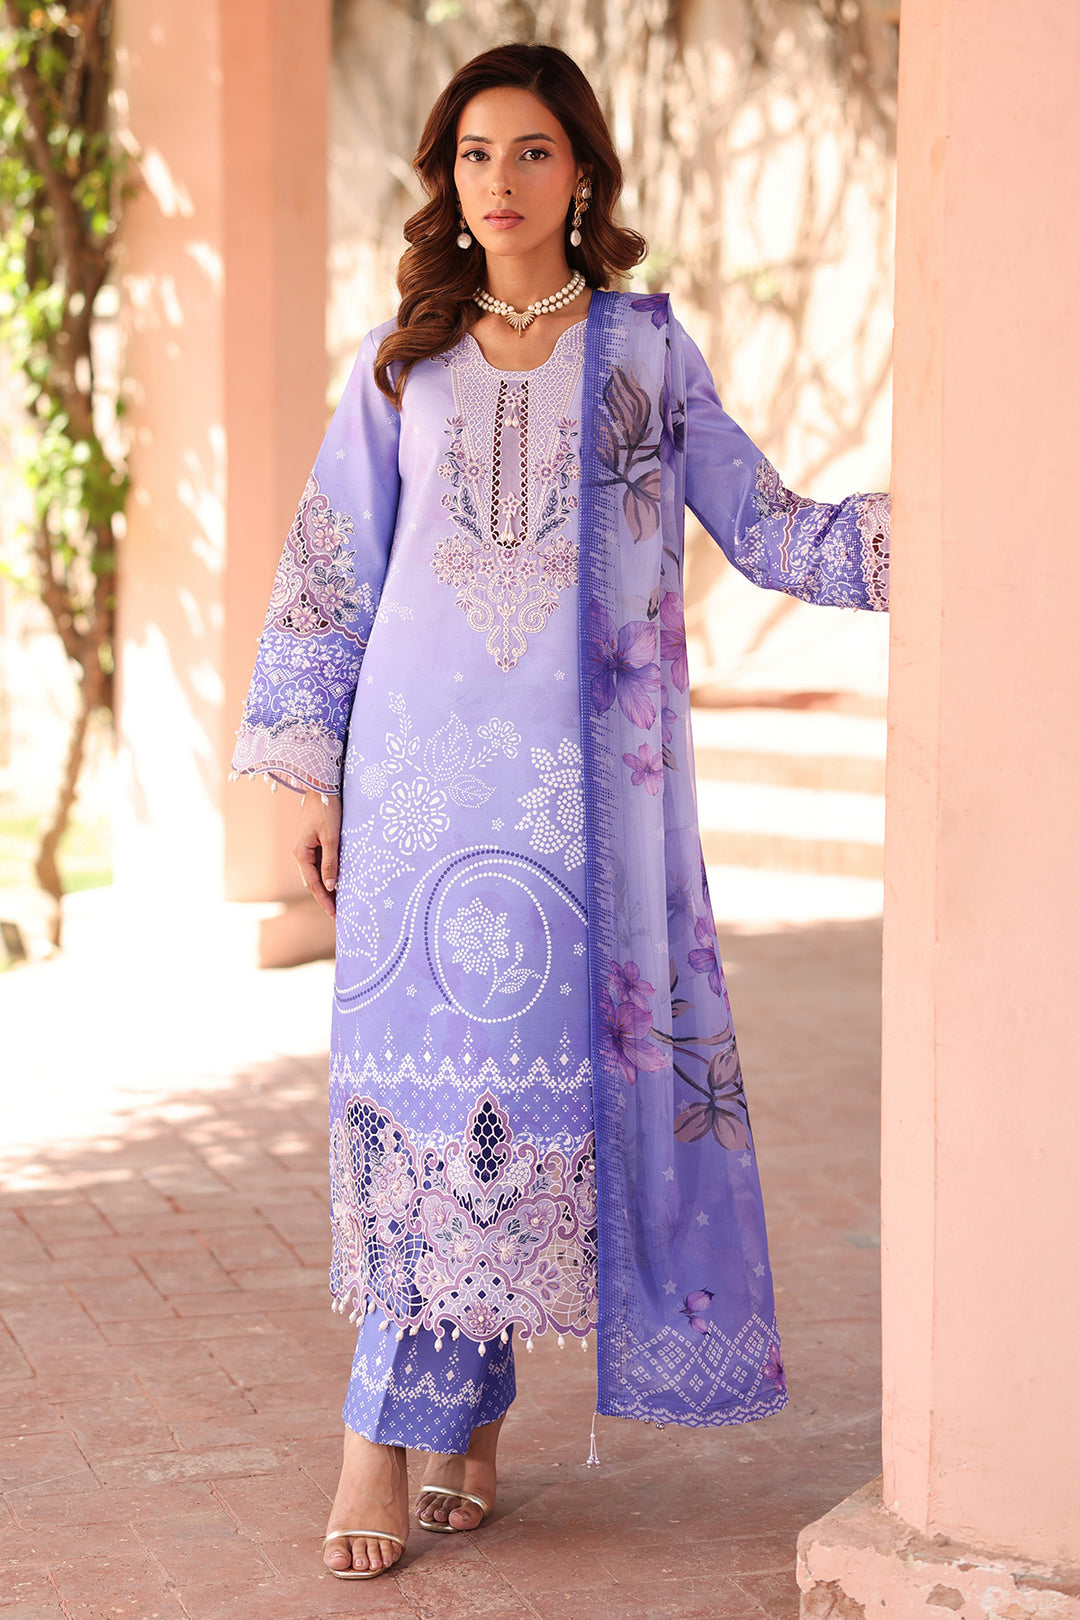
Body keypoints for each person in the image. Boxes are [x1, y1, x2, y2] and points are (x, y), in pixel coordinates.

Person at [232, 41, 890, 1582]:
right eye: (475, 155)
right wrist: (314, 775)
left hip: (580, 819)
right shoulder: (402, 364)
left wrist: (947, 533)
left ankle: (452, 1415)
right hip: (416, 801)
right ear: (447, 180)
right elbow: (330, 577)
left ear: (582, 170)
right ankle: (389, 1435)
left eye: (531, 152)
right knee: (419, 1114)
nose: (501, 182)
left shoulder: (644, 354)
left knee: (519, 1119)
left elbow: (770, 528)